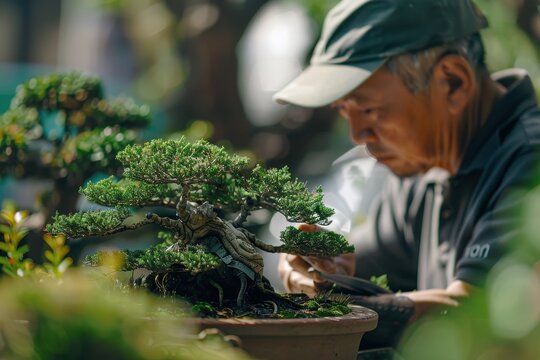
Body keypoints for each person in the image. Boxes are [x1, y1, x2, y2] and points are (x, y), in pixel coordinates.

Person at [273, 0, 540, 347]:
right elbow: (362, 263)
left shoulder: (529, 162)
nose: (357, 135)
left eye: (370, 109)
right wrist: (322, 266)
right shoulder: (424, 166)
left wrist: (333, 309)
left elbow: (478, 315)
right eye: (344, 110)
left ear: (454, 82)